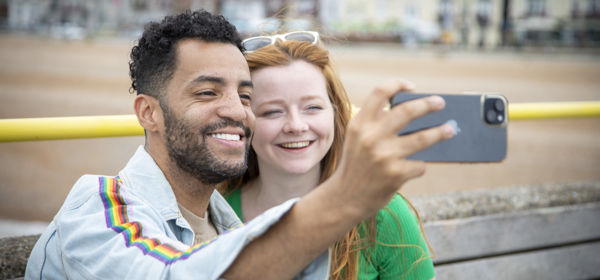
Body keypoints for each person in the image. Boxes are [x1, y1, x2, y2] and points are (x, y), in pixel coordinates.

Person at [25, 10, 453, 280]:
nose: (236, 111)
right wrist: (348, 195)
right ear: (148, 112)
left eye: (246, 97)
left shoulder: (227, 225)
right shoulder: (98, 208)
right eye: (208, 92)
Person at [219, 32, 435, 279]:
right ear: (246, 122)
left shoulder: (382, 214)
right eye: (272, 112)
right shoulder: (218, 214)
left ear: (334, 113)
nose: (296, 125)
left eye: (312, 107)